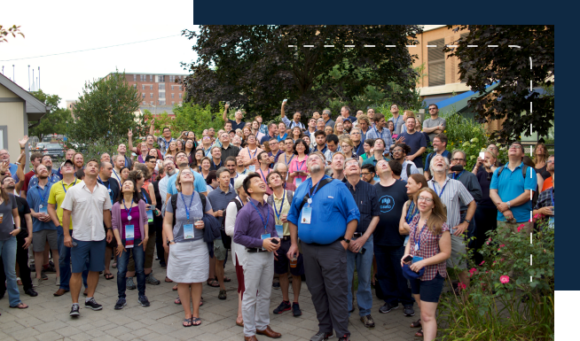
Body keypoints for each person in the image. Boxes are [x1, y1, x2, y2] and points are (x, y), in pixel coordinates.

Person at [286, 153, 359, 341]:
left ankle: (342, 332)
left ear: (325, 163)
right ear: (306, 167)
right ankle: (324, 329)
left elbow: (353, 215)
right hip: (308, 250)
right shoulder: (301, 188)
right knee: (316, 291)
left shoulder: (338, 186)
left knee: (337, 291)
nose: (312, 160)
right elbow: (293, 218)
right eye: (309, 159)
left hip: (333, 249)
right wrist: (294, 243)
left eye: (317, 158)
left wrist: (345, 241)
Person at [61, 158, 114, 317]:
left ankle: (90, 298)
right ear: (84, 170)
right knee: (76, 271)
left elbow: (106, 211)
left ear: (99, 171)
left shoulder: (103, 190)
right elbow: (66, 213)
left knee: (95, 270)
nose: (93, 167)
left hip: (98, 237)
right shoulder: (74, 190)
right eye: (90, 165)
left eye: (96, 166)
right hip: (80, 237)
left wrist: (109, 229)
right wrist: (65, 235)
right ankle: (75, 304)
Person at [234, 173, 282, 341]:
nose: (262, 182)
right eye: (257, 181)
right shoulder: (245, 210)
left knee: (265, 293)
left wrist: (276, 240)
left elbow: (273, 229)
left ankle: (262, 326)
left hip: (268, 256)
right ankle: (249, 332)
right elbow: (237, 237)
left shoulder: (268, 207)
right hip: (253, 256)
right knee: (250, 296)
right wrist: (262, 243)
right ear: (249, 190)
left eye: (261, 180)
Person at [164, 168, 213, 327]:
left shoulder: (202, 197)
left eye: (190, 173)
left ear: (194, 179)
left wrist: (204, 223)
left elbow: (211, 218)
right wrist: (171, 242)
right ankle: (187, 313)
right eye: (183, 173)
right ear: (178, 181)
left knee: (197, 279)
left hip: (199, 244)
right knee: (182, 280)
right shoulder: (173, 199)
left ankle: (196, 313)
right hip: (179, 244)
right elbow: (167, 222)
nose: (187, 174)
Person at [401, 188, 451, 341]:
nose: (423, 201)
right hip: (415, 271)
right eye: (421, 198)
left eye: (428, 199)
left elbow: (445, 253)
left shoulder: (440, 225)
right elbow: (411, 239)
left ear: (434, 204)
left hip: (432, 273)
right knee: (423, 310)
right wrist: (406, 254)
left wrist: (423, 262)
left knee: (428, 316)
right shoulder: (415, 219)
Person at [373, 159, 415, 316]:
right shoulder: (373, 189)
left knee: (401, 272)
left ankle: (407, 301)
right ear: (376, 172)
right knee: (383, 272)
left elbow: (411, 210)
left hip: (400, 239)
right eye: (380, 164)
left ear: (391, 169)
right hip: (379, 238)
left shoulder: (403, 186)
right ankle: (390, 300)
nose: (383, 164)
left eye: (386, 163)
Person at [427, 155, 475, 288]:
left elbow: (472, 203)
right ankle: (436, 300)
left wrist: (465, 222)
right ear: (431, 168)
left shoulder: (457, 184)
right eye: (436, 160)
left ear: (448, 167)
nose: (439, 161)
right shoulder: (426, 186)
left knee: (461, 269)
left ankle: (466, 302)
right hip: (431, 233)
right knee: (432, 269)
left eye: (442, 160)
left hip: (452, 232)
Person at [343, 158, 380, 328]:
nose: (353, 166)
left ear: (360, 170)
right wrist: (348, 239)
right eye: (349, 165)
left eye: (356, 164)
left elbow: (376, 215)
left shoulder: (371, 189)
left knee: (365, 278)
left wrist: (364, 238)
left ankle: (365, 312)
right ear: (344, 172)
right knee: (346, 278)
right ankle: (346, 311)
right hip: (345, 242)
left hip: (366, 239)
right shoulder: (339, 189)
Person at [266, 171, 304, 317]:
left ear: (282, 180)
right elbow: (266, 223)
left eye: (278, 177)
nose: (276, 179)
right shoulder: (268, 200)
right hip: (277, 241)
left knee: (295, 272)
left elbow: (304, 214)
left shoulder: (291, 196)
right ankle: (285, 301)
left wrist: (291, 217)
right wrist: (271, 245)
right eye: (272, 178)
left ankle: (296, 302)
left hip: (292, 240)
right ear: (269, 185)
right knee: (281, 273)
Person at [48, 160, 87, 297]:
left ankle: (87, 285)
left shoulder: (82, 184)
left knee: (84, 257)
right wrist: (56, 223)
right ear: (61, 170)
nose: (68, 166)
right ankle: (64, 285)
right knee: (63, 258)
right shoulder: (55, 186)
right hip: (62, 228)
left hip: (80, 227)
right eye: (65, 165)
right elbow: (50, 206)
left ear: (75, 170)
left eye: (71, 165)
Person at [111, 178, 150, 309]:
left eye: (130, 184)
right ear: (121, 188)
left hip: (138, 240)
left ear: (134, 189)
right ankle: (121, 297)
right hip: (122, 241)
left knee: (140, 268)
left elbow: (145, 220)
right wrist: (118, 243)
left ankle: (142, 295)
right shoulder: (116, 206)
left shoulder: (140, 203)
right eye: (125, 184)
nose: (127, 185)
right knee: (121, 270)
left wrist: (146, 237)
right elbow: (114, 225)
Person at [489, 142, 537, 245]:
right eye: (511, 146)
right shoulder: (498, 171)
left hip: (523, 221)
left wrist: (508, 204)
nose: (513, 148)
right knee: (504, 254)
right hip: (502, 219)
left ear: (523, 154)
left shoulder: (529, 171)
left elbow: (528, 194)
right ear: (507, 153)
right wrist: (504, 209)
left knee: (523, 254)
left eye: (517, 147)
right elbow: (492, 192)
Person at [0, 176, 36, 298]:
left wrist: (29, 236)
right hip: (4, 235)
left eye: (12, 179)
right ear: (2, 185)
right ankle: (1, 290)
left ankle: (28, 287)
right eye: (6, 180)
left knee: (23, 263)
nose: (10, 181)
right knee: (2, 265)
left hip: (20, 235)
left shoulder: (21, 200)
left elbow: (28, 219)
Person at [27, 163, 60, 287]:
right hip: (38, 225)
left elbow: (60, 205)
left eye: (45, 169)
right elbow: (29, 208)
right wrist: (35, 215)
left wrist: (51, 215)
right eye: (40, 169)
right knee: (38, 251)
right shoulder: (32, 190)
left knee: (56, 251)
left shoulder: (55, 187)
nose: (43, 170)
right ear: (36, 174)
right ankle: (38, 276)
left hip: (53, 225)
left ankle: (58, 275)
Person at [208, 167, 237, 300]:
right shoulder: (212, 195)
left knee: (238, 258)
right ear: (218, 179)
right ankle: (222, 287)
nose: (226, 179)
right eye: (224, 177)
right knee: (220, 259)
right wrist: (215, 213)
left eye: (228, 176)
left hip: (236, 231)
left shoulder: (235, 193)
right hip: (219, 231)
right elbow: (207, 215)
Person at [225, 175, 249, 327]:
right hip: (241, 250)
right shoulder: (234, 205)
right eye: (247, 185)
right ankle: (240, 314)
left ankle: (250, 311)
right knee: (243, 282)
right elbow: (228, 229)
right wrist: (249, 231)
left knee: (253, 282)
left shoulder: (254, 202)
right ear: (240, 188)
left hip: (255, 248)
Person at [471, 149, 499, 266]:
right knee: (480, 236)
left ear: (494, 159)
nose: (485, 159)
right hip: (482, 207)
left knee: (497, 236)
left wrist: (491, 166)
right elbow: (470, 180)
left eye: (489, 157)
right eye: (484, 157)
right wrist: (477, 166)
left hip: (497, 207)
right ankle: (479, 263)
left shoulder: (498, 171)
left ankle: (496, 262)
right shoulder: (480, 173)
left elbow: (501, 177)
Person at [448, 150, 483, 242]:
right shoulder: (447, 176)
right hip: (449, 215)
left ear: (464, 163)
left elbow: (478, 195)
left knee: (465, 244)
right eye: (455, 159)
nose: (458, 162)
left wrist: (462, 194)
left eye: (460, 159)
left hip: (464, 215)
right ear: (451, 161)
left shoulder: (470, 176)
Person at [97, 162, 121, 281]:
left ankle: (107, 269)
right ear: (101, 169)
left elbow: (117, 198)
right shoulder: (95, 182)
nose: (111, 171)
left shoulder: (114, 182)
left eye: (112, 168)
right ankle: (96, 268)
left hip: (112, 215)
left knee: (110, 243)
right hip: (97, 216)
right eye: (109, 169)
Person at [533, 155, 555, 229]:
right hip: (548, 230)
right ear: (546, 168)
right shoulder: (546, 182)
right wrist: (541, 211)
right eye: (550, 161)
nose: (553, 162)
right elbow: (536, 209)